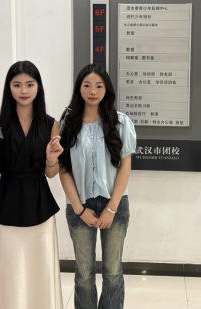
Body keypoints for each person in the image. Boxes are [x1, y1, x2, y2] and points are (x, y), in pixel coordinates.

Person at [0, 61, 64, 309]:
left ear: (38, 87)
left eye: (30, 84)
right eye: (17, 85)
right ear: (9, 88)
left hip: (40, 204)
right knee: (10, 271)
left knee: (41, 270)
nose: (24, 90)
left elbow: (52, 174)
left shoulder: (50, 124)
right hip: (7, 203)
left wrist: (51, 160)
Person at [59, 64, 137, 309]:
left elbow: (125, 168)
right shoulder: (67, 124)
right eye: (87, 85)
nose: (93, 91)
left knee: (112, 271)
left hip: (115, 206)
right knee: (84, 272)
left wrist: (111, 209)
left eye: (99, 86)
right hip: (79, 205)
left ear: (107, 89)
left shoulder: (121, 122)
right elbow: (63, 170)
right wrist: (80, 210)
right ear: (79, 88)